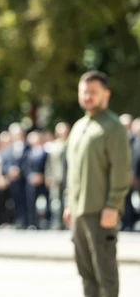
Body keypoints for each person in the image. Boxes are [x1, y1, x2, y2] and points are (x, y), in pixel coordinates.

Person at [64, 71, 130, 297]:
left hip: (100, 212)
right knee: (86, 274)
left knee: (105, 275)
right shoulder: (79, 127)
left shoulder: (113, 127)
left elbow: (121, 169)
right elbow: (73, 172)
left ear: (106, 95)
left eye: (93, 92)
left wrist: (113, 205)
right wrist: (69, 204)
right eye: (84, 92)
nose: (87, 97)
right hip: (79, 211)